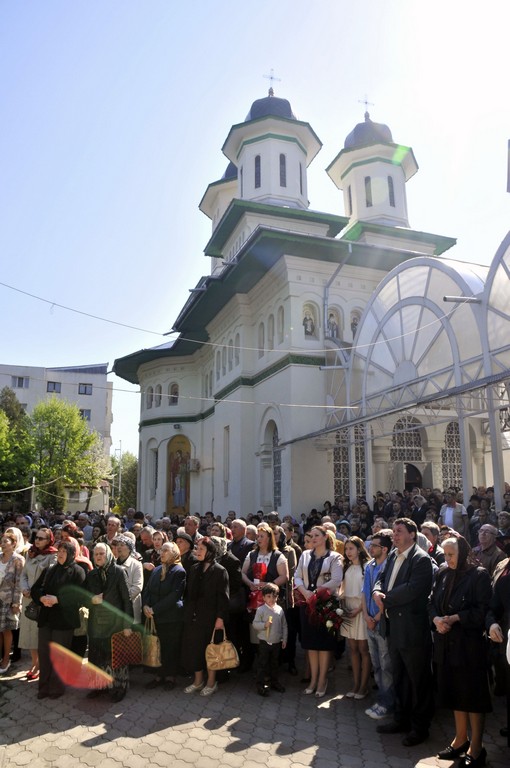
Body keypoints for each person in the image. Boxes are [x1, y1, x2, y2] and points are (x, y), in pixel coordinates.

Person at [429, 536, 492, 768]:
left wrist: (456, 618)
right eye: (445, 555)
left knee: (472, 696)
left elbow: (483, 610)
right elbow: (432, 602)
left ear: (463, 552)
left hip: (469, 646)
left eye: (452, 555)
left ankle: (477, 748)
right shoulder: (443, 573)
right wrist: (436, 619)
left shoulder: (479, 575)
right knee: (455, 693)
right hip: (446, 644)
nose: (448, 559)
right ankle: (460, 739)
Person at [373, 517, 434, 746]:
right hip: (393, 629)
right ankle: (401, 719)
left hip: (412, 631)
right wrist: (377, 592)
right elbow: (381, 577)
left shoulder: (421, 559)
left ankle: (420, 728)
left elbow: (414, 589)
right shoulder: (392, 555)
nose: (395, 535)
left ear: (412, 534)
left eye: (399, 531)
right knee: (399, 677)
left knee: (418, 680)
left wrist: (386, 599)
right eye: (394, 531)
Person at [31, 540, 85, 699]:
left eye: (64, 551)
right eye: (59, 551)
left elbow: (79, 595)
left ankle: (56, 688)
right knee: (44, 653)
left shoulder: (78, 571)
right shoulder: (50, 570)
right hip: (46, 619)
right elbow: (36, 588)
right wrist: (41, 598)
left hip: (64, 621)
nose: (60, 554)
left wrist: (58, 600)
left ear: (71, 554)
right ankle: (44, 687)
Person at [294, 525, 343, 698]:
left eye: (317, 535)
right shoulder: (305, 554)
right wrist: (306, 592)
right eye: (310, 535)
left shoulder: (335, 557)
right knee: (310, 644)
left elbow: (337, 579)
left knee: (324, 644)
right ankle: (313, 680)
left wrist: (317, 591)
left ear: (325, 537)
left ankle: (322, 680)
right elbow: (297, 575)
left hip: (326, 605)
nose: (313, 538)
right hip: (308, 604)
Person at [180, 537, 229, 697]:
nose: (197, 552)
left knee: (211, 651)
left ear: (210, 551)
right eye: (197, 548)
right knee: (194, 650)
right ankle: (198, 681)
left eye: (201, 549)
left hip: (211, 618)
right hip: (193, 617)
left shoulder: (220, 571)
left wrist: (220, 618)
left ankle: (211, 683)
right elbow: (188, 594)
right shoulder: (194, 568)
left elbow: (223, 598)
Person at [85, 543, 134, 702]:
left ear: (108, 555)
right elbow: (83, 596)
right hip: (96, 623)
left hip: (115, 622)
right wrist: (91, 600)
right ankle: (98, 687)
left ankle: (119, 689)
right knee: (97, 656)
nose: (98, 556)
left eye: (101, 553)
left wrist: (128, 625)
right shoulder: (91, 574)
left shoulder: (119, 572)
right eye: (96, 554)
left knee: (115, 657)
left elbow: (127, 600)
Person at [142, 541, 186, 690]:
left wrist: (154, 609)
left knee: (170, 647)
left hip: (171, 616)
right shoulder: (156, 570)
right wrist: (146, 605)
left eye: (166, 550)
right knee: (157, 646)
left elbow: (174, 596)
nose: (162, 553)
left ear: (174, 553)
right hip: (155, 616)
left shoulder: (179, 571)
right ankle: (158, 675)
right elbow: (147, 589)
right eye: (161, 550)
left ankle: (170, 677)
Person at [362, 530, 395, 720]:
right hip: (369, 621)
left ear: (384, 548)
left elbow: (387, 596)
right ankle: (381, 699)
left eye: (374, 545)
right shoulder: (369, 566)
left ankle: (387, 703)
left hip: (381, 622)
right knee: (376, 664)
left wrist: (376, 617)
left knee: (386, 663)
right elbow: (365, 593)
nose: (370, 548)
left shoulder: (389, 567)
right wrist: (367, 616)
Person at [19, 527, 57, 680]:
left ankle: (41, 664)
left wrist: (37, 593)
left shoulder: (52, 555)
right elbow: (23, 575)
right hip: (27, 598)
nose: (37, 540)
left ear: (49, 540)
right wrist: (24, 588)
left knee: (38, 635)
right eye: (37, 537)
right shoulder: (31, 553)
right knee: (28, 635)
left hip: (41, 600)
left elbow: (50, 577)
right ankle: (35, 662)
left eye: (42, 538)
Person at [340, 536, 371, 699]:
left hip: (361, 610)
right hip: (348, 610)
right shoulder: (347, 567)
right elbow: (342, 590)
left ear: (359, 549)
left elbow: (368, 592)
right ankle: (355, 684)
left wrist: (359, 609)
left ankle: (364, 686)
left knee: (363, 650)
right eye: (346, 549)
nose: (348, 552)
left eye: (351, 548)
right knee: (352, 649)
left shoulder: (367, 566)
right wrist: (343, 607)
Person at [252, 582, 288, 696]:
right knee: (262, 664)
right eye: (268, 596)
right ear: (263, 597)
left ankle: (274, 682)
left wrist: (284, 639)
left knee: (274, 663)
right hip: (264, 642)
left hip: (276, 642)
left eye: (274, 596)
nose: (271, 599)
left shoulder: (280, 610)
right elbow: (255, 624)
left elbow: (284, 626)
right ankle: (260, 684)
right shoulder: (261, 610)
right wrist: (264, 625)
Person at [0, 532, 25, 674]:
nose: (3, 544)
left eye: (6, 541)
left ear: (14, 544)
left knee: (6, 630)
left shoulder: (18, 559)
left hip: (8, 600)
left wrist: (16, 603)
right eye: (2, 541)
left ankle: (5, 660)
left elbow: (18, 583)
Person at [113, 535, 143, 624]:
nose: (119, 547)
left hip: (131, 606)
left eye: (122, 545)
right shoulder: (112, 564)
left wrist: (122, 599)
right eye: (117, 545)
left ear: (129, 548)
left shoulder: (136, 565)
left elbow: (137, 587)